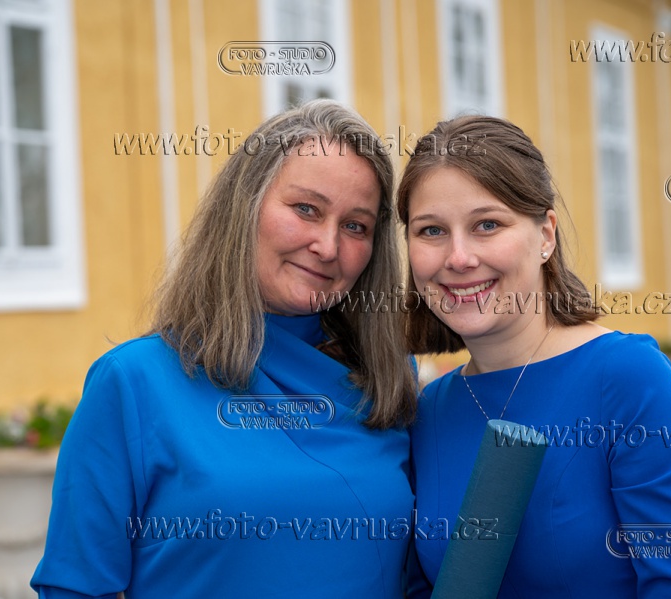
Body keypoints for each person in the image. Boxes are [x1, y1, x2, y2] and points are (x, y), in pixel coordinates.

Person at [31, 100, 419, 598]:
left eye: (355, 226)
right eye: (306, 209)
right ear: (244, 205)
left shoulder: (389, 381)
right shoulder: (134, 384)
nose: (328, 245)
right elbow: (75, 588)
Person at [398, 115, 671, 598]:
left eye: (487, 224)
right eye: (431, 230)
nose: (458, 257)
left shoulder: (626, 379)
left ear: (545, 235)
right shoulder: (429, 410)